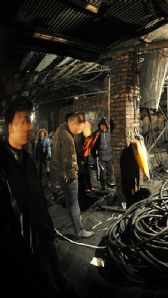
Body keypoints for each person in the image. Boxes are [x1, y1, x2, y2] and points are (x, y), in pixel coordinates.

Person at [0, 97, 78, 297]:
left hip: (44, 235)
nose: (29, 126)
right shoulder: (3, 164)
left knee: (59, 278)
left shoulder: (26, 159)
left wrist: (47, 226)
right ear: (10, 127)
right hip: (25, 246)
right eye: (22, 120)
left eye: (30, 119)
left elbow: (37, 196)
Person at [50, 112, 94, 239]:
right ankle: (79, 231)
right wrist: (73, 176)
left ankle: (75, 219)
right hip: (67, 176)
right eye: (79, 128)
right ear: (73, 123)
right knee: (74, 203)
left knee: (70, 202)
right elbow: (69, 161)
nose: (80, 131)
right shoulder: (68, 138)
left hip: (59, 173)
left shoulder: (60, 129)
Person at [92, 117, 115, 190]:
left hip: (110, 156)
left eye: (104, 125)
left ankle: (111, 184)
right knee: (103, 172)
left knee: (111, 171)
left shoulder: (110, 132)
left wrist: (110, 118)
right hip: (101, 157)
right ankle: (103, 186)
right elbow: (93, 145)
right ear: (99, 126)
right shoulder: (97, 134)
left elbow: (113, 126)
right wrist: (94, 155)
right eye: (101, 125)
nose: (102, 126)